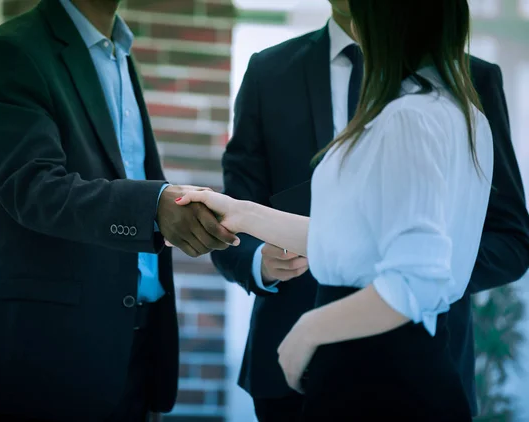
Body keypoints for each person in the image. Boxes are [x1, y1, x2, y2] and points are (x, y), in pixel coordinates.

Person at [180, 0, 507, 419]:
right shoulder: (460, 113)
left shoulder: (408, 118)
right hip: (398, 364)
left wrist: (309, 330)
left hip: (373, 371)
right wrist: (241, 213)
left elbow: (415, 281)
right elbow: (356, 244)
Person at [0, 0, 239, 421]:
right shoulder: (14, 49)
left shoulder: (118, 54)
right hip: (43, 360)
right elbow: (32, 187)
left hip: (133, 351)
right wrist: (153, 207)